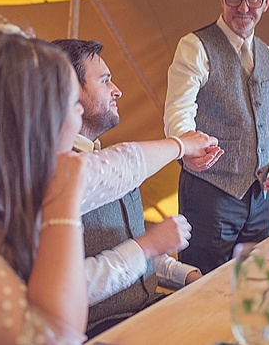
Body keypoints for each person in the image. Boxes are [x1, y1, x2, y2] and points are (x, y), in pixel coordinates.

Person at [0, 28, 220, 345]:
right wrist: (64, 205)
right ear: (31, 114)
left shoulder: (6, 198)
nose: (77, 120)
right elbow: (53, 338)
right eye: (72, 103)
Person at [53, 39, 223, 337]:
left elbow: (141, 253)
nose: (117, 90)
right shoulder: (58, 175)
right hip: (104, 330)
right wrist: (148, 245)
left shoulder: (114, 165)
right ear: (70, 92)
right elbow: (68, 289)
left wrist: (186, 275)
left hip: (150, 308)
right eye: (105, 81)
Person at [164, 0, 269, 274]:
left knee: (258, 283)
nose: (243, 8)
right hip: (210, 195)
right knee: (203, 283)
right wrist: (186, 151)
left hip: (259, 198)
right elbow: (179, 110)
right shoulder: (195, 46)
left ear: (266, 2)